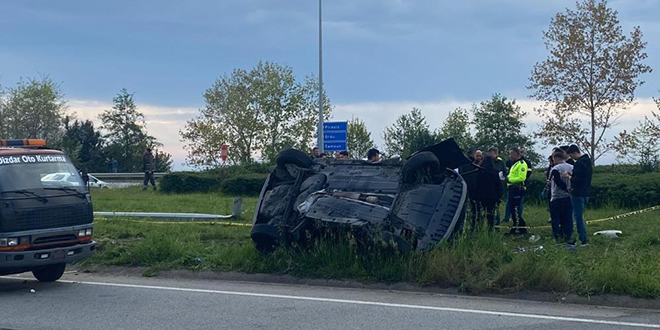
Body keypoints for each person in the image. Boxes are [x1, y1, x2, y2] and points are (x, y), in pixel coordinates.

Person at [563, 144, 592, 246]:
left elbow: (577, 180)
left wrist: (568, 176)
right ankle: (582, 236)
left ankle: (582, 238)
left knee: (578, 217)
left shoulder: (579, 164)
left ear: (575, 153)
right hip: (585, 192)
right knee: (580, 216)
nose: (571, 158)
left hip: (578, 193)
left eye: (571, 155)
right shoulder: (587, 162)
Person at [549, 152, 573, 242]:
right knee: (567, 218)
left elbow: (557, 181)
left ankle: (557, 236)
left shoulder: (555, 168)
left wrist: (565, 188)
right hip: (568, 197)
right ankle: (568, 235)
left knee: (555, 218)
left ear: (556, 159)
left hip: (557, 196)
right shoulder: (572, 167)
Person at [475, 156, 503, 230]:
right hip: (492, 197)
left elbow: (476, 184)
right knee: (491, 214)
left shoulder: (480, 172)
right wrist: (499, 196)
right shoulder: (495, 172)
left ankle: (479, 228)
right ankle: (491, 229)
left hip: (481, 196)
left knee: (481, 214)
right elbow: (499, 185)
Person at [506, 147, 528, 234]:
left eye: (511, 153)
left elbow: (521, 178)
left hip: (517, 188)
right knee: (512, 209)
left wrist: (509, 180)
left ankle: (521, 228)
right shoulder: (515, 164)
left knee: (516, 209)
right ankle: (516, 227)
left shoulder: (522, 164)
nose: (510, 155)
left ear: (516, 154)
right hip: (512, 188)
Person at [487, 148, 508, 225]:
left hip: (498, 187)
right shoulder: (486, 162)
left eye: (491, 154)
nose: (490, 155)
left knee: (496, 207)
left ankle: (497, 224)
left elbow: (505, 173)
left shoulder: (500, 163)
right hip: (488, 188)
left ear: (496, 154)